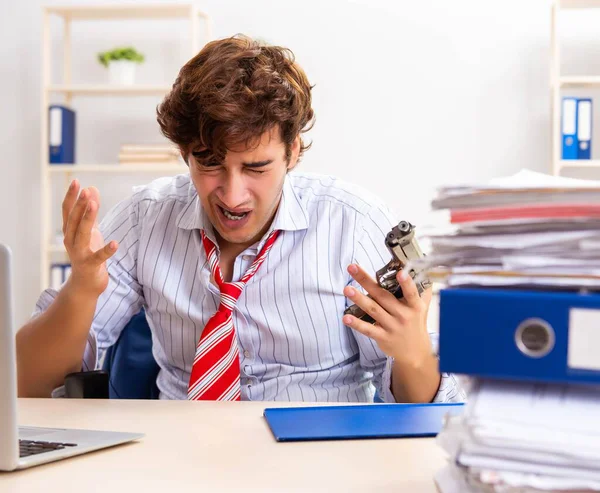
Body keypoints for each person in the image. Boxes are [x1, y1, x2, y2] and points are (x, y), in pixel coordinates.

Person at [17, 35, 464, 403]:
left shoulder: (355, 223)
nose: (232, 195)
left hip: (320, 458)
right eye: (209, 163)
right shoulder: (142, 219)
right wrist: (81, 291)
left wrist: (413, 354)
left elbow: (421, 411)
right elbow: (26, 385)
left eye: (255, 167)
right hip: (177, 458)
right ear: (183, 153)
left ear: (292, 152)